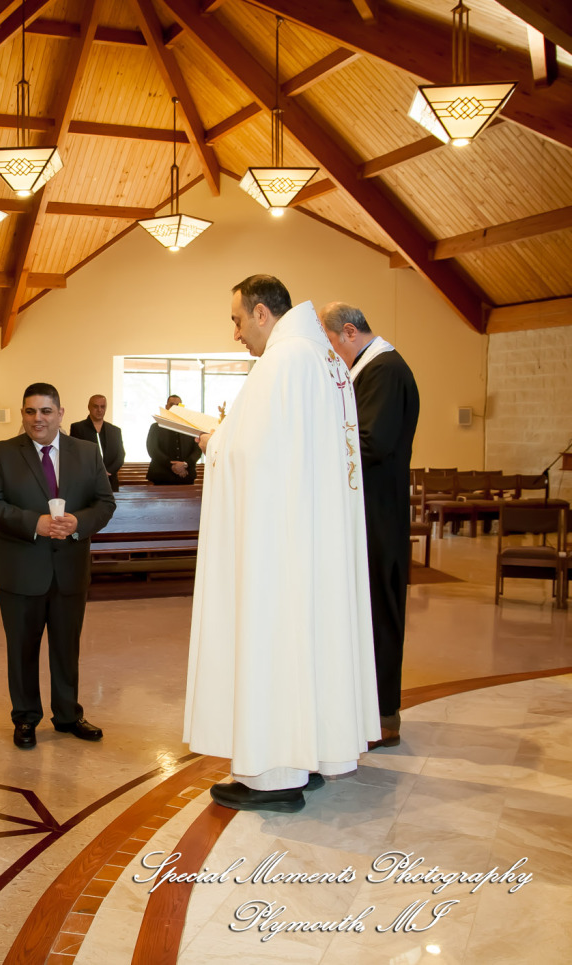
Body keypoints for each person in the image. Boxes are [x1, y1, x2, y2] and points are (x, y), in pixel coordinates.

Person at [184, 275, 379, 813]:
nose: (236, 333)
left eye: (237, 320)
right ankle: (307, 754)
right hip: (314, 537)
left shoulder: (283, 362)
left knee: (274, 639)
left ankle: (273, 775)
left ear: (263, 313)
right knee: (309, 640)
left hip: (280, 543)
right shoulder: (328, 360)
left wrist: (213, 443)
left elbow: (254, 454)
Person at [0, 383, 116, 749]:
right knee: (22, 649)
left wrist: (79, 523)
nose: (37, 418)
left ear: (60, 413)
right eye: (29, 411)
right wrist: (33, 523)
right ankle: (25, 718)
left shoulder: (87, 453)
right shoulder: (2, 453)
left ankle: (69, 715)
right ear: (23, 414)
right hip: (21, 569)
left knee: (66, 648)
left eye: (45, 411)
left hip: (70, 569)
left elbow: (105, 503)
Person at [320, 302, 420, 750]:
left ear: (348, 333)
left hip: (378, 519)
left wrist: (316, 442)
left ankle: (382, 719)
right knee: (370, 614)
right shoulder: (377, 367)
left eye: (331, 346)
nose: (333, 356)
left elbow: (370, 442)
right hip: (373, 515)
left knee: (380, 615)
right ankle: (371, 714)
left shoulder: (383, 369)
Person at [69, 394, 126, 491]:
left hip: (110, 481)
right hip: (86, 481)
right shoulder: (77, 428)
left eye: (102, 406)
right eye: (95, 406)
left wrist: (108, 471)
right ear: (89, 407)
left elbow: (120, 455)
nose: (99, 410)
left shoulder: (115, 430)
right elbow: (73, 454)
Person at [146, 394, 202, 484]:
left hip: (186, 475)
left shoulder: (191, 428)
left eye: (178, 405)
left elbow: (197, 450)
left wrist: (185, 464)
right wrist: (171, 465)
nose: (175, 408)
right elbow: (153, 450)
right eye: (172, 405)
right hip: (161, 476)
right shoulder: (156, 427)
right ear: (166, 407)